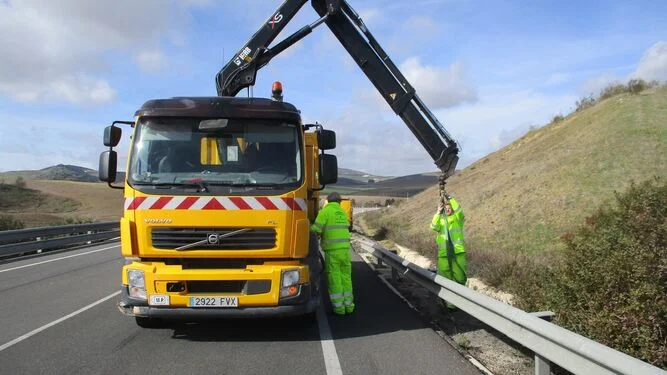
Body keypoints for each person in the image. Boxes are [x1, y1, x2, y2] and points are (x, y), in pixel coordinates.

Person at [310, 192, 354, 315]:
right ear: (339, 202)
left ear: (328, 202)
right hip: (345, 251)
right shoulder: (342, 213)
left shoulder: (325, 212)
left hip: (333, 252)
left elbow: (316, 230)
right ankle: (349, 306)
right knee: (346, 278)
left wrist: (308, 227)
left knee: (335, 279)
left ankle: (339, 308)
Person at [430, 195, 467, 309]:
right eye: (446, 208)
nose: (448, 210)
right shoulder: (440, 221)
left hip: (458, 253)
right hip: (444, 254)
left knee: (460, 278)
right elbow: (433, 226)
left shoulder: (457, 219)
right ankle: (451, 305)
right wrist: (438, 212)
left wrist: (449, 197)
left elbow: (459, 210)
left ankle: (461, 299)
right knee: (446, 279)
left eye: (449, 208)